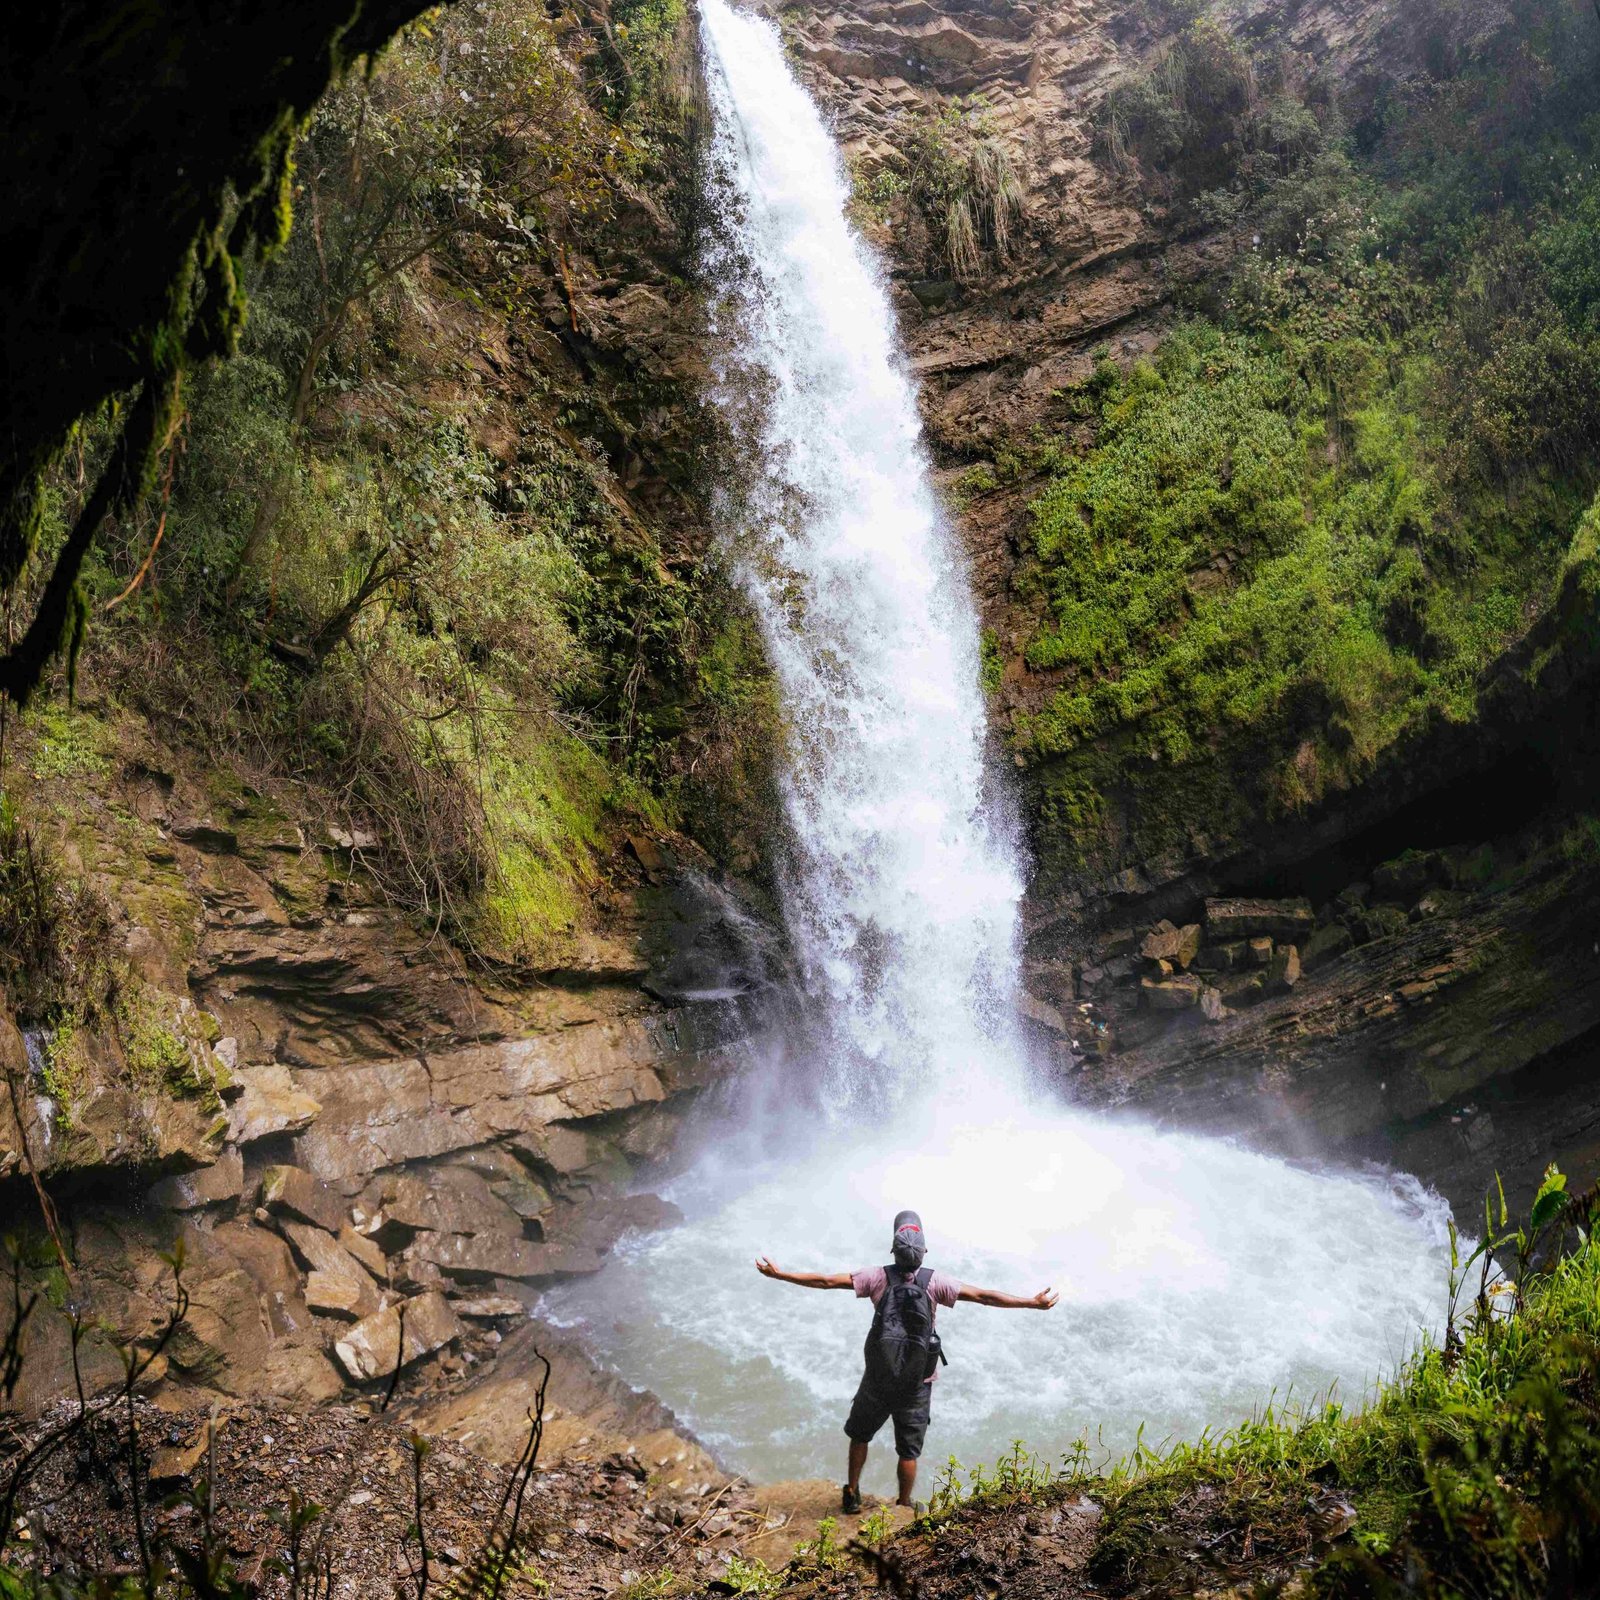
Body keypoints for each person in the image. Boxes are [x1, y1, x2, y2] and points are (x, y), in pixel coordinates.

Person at [755, 1208, 1058, 1513]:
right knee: (908, 1451)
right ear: (924, 1251)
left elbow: (825, 1281)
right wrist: (1031, 1303)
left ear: (892, 1249)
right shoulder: (935, 1282)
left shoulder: (876, 1277)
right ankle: (903, 1505)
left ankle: (851, 1493)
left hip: (878, 1376)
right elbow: (984, 1296)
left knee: (860, 1436)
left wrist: (780, 1274)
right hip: (918, 1381)